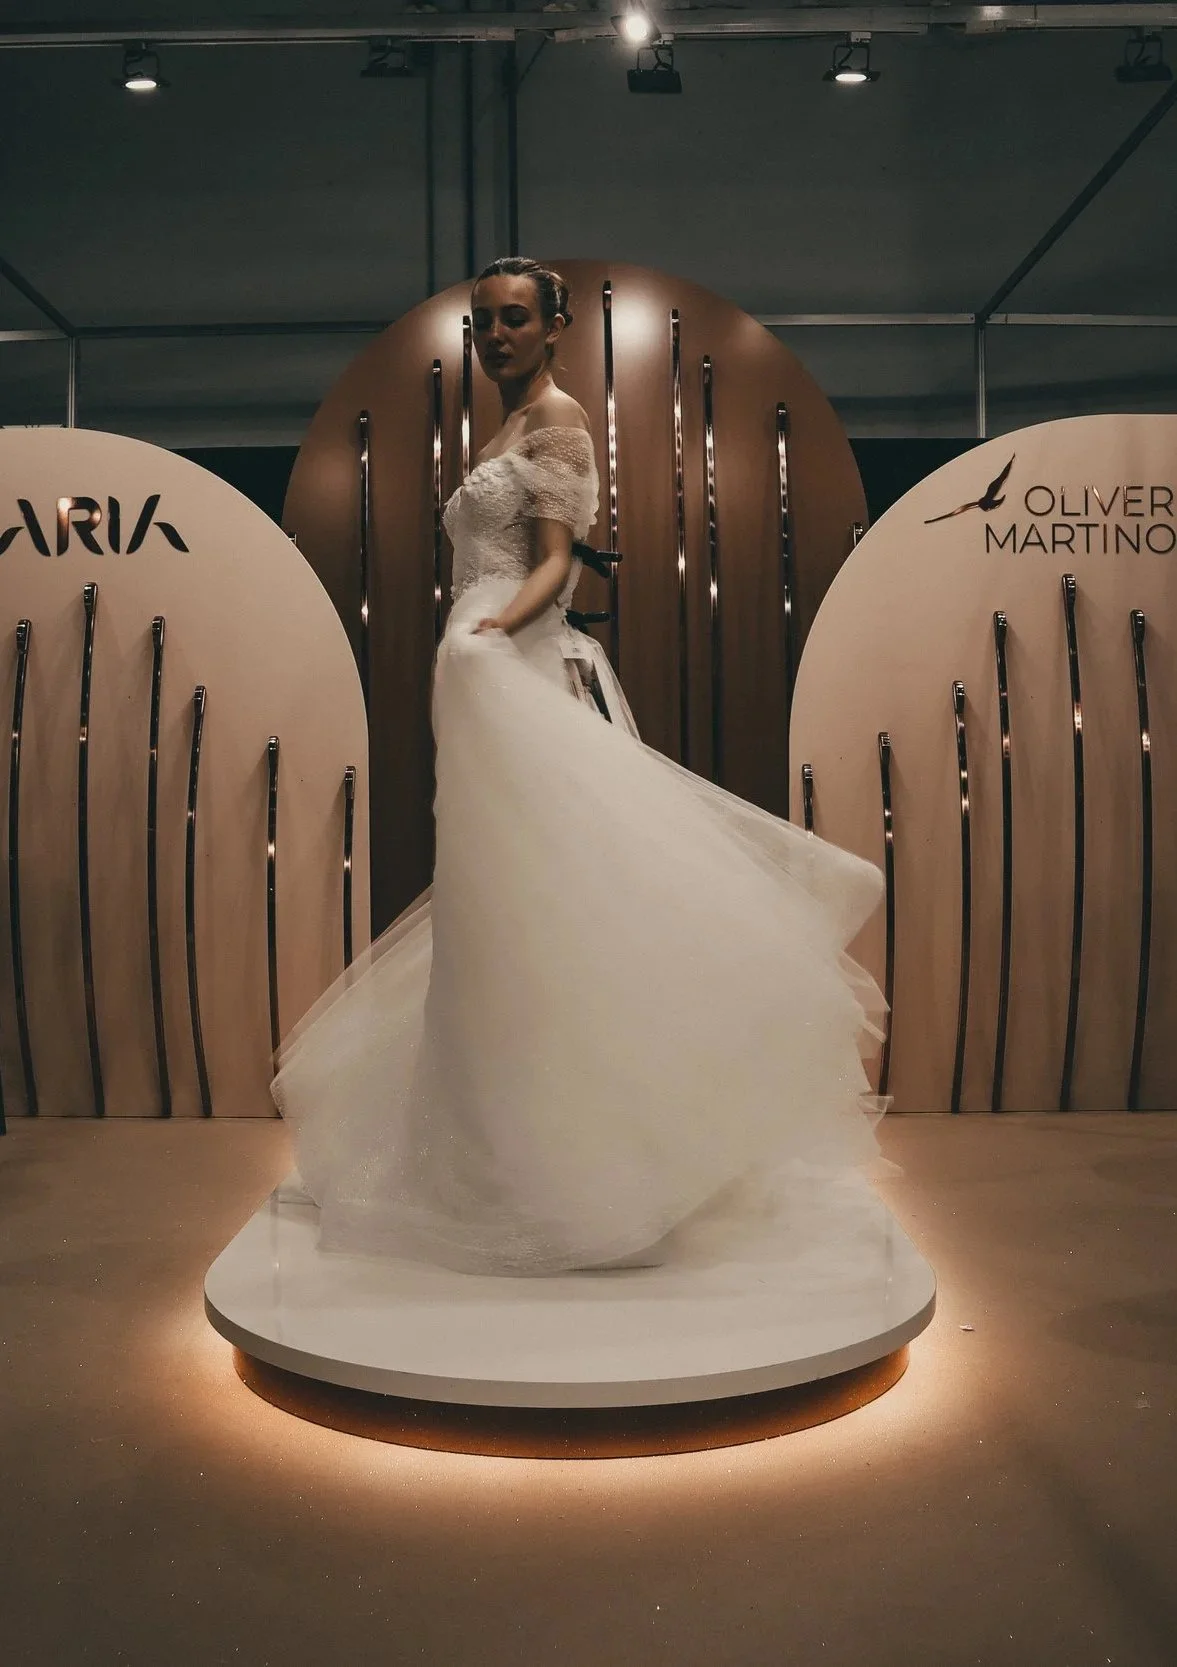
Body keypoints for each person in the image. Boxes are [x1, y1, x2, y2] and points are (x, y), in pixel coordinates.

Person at [271, 257, 888, 1276]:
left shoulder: (556, 419)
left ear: (555, 327)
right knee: (497, 906)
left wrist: (489, 633)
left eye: (513, 320)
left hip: (505, 668)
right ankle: (503, 1151)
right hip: (479, 682)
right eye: (482, 323)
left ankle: (582, 1157)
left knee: (542, 899)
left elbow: (556, 561)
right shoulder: (508, 428)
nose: (495, 337)